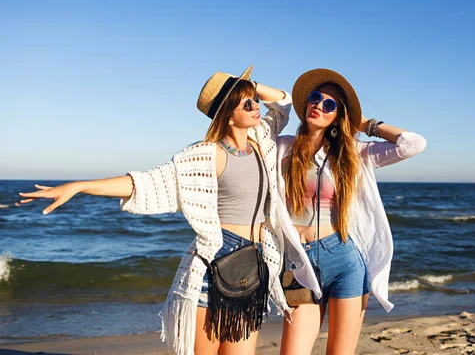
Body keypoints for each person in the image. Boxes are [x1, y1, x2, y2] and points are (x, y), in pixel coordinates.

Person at [18, 65, 295, 355]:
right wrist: (79, 186)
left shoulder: (262, 140)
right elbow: (145, 183)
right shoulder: (207, 155)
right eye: (246, 103)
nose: (256, 107)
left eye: (255, 101)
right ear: (227, 115)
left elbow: (283, 103)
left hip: (254, 265)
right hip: (214, 267)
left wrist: (247, 85)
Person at [275, 69, 427, 354]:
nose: (319, 105)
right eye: (315, 98)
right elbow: (271, 111)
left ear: (338, 115)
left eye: (330, 104)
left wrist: (365, 124)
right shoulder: (283, 148)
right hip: (299, 263)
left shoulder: (353, 152)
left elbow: (413, 144)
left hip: (344, 260)